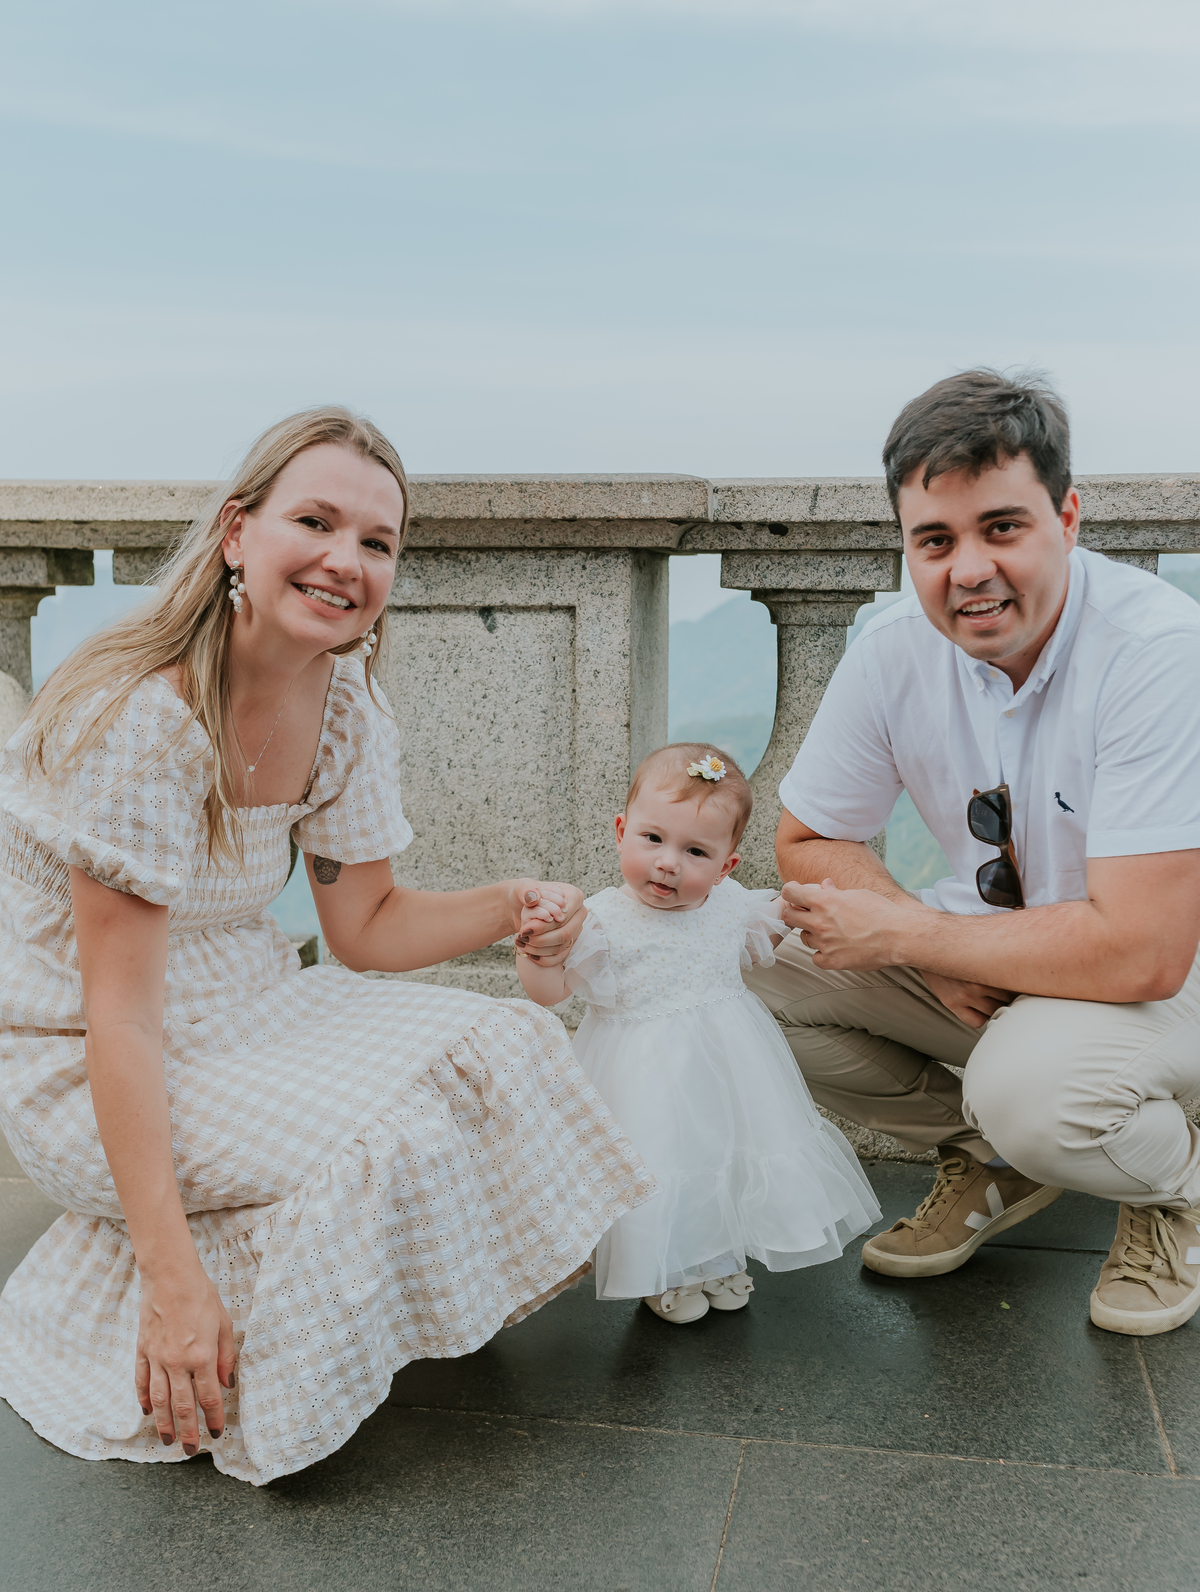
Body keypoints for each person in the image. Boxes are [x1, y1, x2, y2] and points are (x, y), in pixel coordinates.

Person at [0, 406, 653, 1485]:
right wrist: (173, 1285)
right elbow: (118, 1015)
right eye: (316, 521)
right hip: (86, 1052)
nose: (346, 561)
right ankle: (172, 1297)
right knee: (381, 1140)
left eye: (378, 542)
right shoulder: (141, 720)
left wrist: (509, 904)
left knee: (510, 1047)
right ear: (234, 535)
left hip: (252, 999)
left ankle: (294, 1287)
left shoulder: (341, 698)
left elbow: (365, 930)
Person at [746, 369, 1200, 1336]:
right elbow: (807, 839)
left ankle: (1178, 1187)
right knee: (735, 970)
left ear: (1068, 517)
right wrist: (922, 945)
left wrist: (924, 937)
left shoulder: (1157, 653)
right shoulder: (892, 647)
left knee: (1032, 1090)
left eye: (1003, 528)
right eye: (934, 540)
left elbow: (1144, 950)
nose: (969, 570)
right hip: (1002, 967)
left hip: (1171, 980)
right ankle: (992, 1156)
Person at [515, 743, 880, 1323]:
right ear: (620, 831)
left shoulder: (731, 905)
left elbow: (764, 944)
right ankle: (667, 1269)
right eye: (652, 839)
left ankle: (716, 1256)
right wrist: (537, 952)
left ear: (726, 866)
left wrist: (803, 910)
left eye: (695, 852)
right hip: (641, 1072)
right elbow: (551, 992)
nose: (668, 864)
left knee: (723, 1155)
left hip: (725, 1062)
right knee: (663, 1161)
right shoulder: (604, 919)